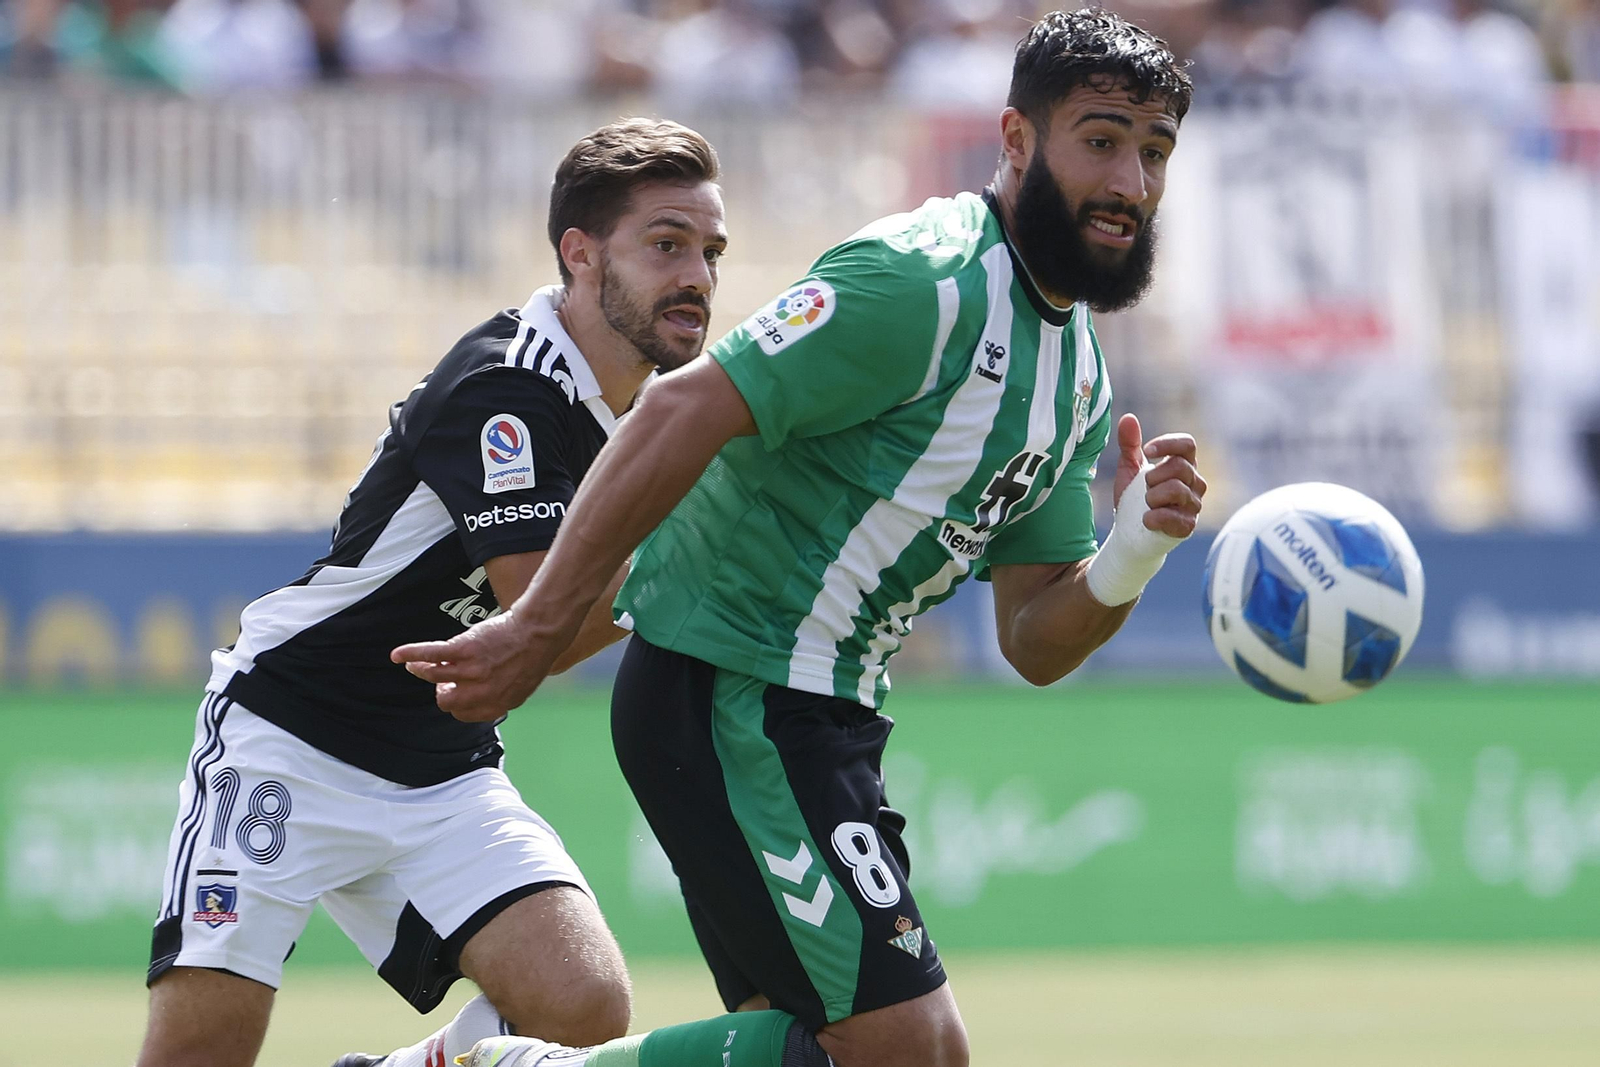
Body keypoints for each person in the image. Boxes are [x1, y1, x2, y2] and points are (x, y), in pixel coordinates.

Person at [398, 10, 1204, 1067]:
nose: (1130, 183)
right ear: (1015, 140)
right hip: (733, 687)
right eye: (1099, 140)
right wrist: (538, 622)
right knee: (912, 1052)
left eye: (1153, 152)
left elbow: (1034, 639)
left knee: (818, 1052)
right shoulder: (922, 279)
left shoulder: (1081, 379)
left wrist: (1133, 545)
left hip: (822, 718)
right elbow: (680, 408)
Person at [135, 118, 729, 1067]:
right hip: (291, 737)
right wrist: (711, 556)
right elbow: (537, 622)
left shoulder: (651, 408)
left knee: (580, 1005)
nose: (696, 274)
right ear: (580, 254)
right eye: (665, 244)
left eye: (709, 250)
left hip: (438, 767)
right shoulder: (508, 386)